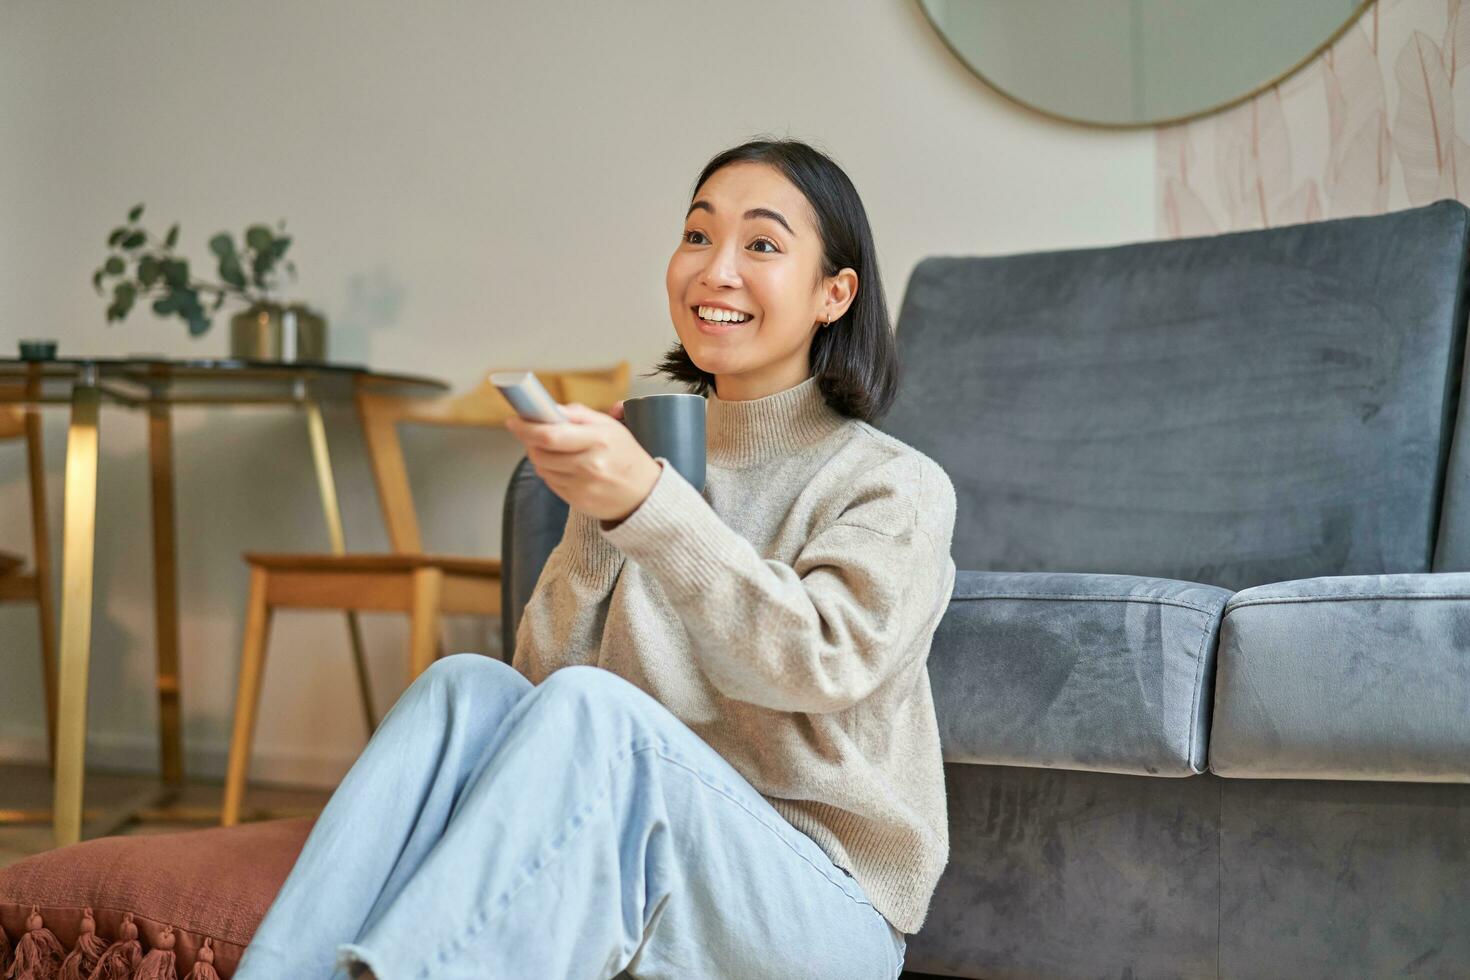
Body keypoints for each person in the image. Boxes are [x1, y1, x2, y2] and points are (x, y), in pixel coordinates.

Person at [234, 137, 957, 980]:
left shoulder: (893, 485)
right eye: (697, 236)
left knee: (599, 713)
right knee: (462, 689)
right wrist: (597, 521)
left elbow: (818, 665)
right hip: (640, 845)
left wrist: (652, 513)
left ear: (834, 294)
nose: (715, 271)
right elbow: (540, 701)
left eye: (761, 245)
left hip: (818, 903)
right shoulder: (642, 460)